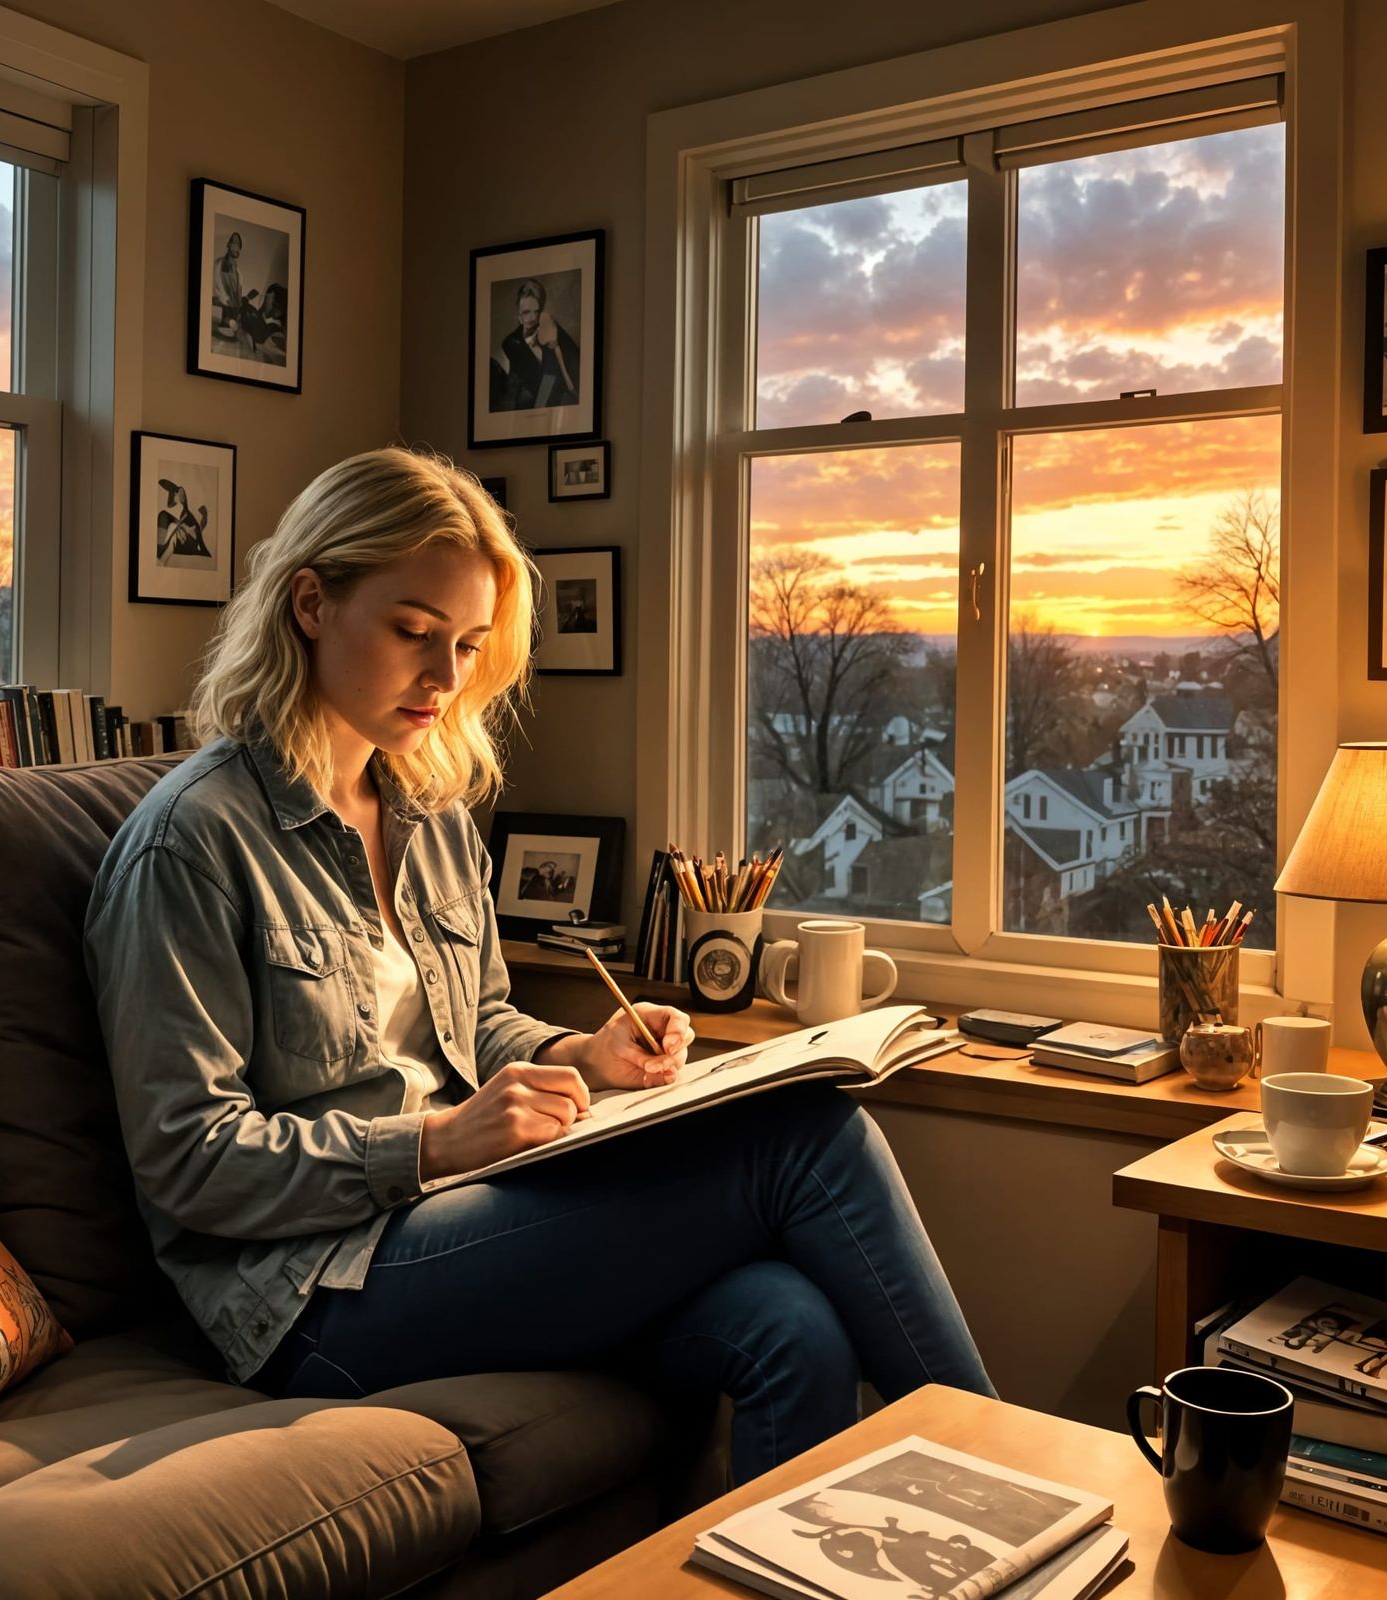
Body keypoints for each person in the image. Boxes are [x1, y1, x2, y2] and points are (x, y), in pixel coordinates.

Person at [83, 447, 992, 1485]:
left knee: (790, 1326)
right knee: (802, 1137)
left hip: (459, 1218)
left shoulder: (426, 817)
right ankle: (1007, 1482)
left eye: (468, 643)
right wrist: (429, 1144)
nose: (447, 677)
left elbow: (475, 1028)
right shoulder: (191, 842)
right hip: (309, 1296)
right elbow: (190, 1159)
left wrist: (585, 1053)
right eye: (414, 632)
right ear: (309, 604)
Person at [499, 278, 580, 409]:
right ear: (519, 314)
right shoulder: (511, 343)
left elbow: (577, 368)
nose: (531, 318)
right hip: (534, 407)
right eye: (526, 312)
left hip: (563, 403)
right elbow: (540, 386)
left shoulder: (551, 327)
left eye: (536, 311)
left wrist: (556, 346)